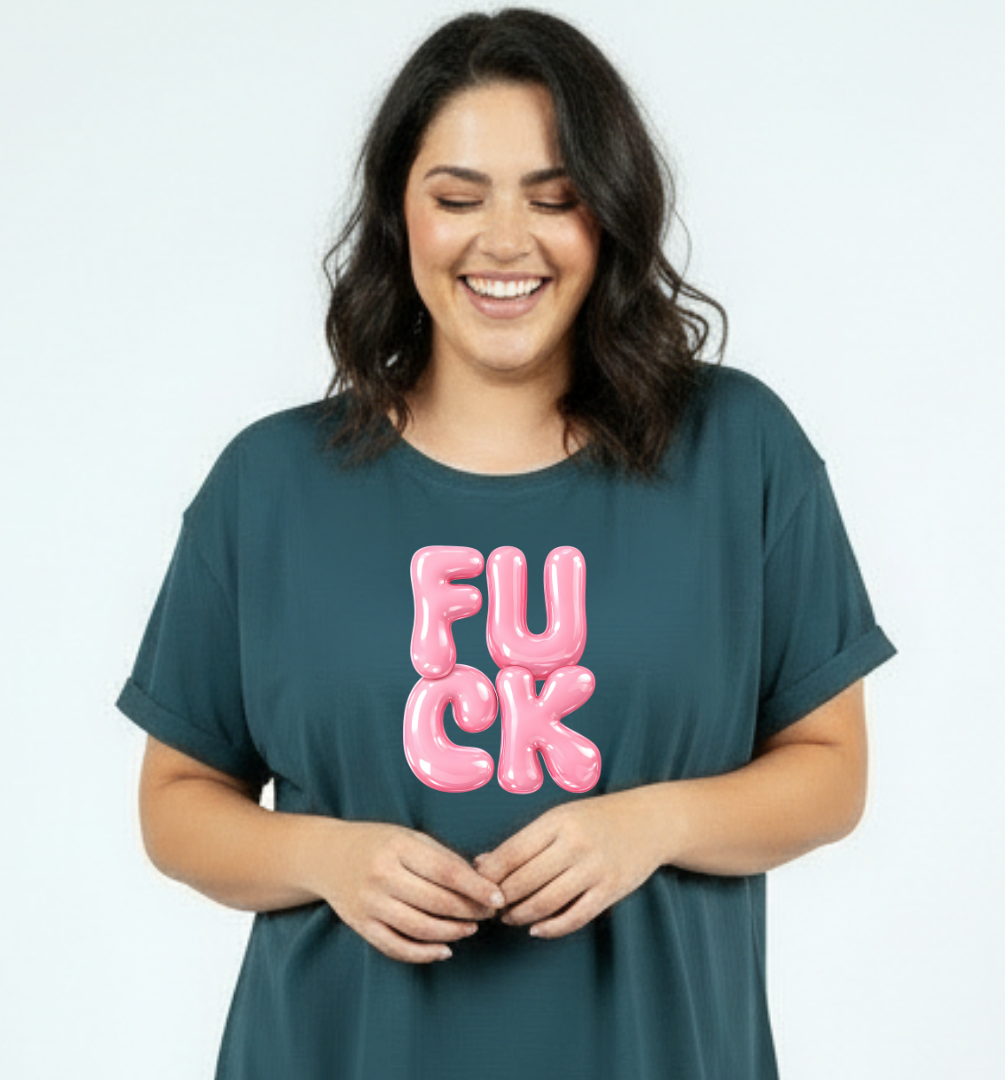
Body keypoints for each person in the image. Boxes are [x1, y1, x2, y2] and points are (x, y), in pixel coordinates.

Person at [116, 8, 897, 1079]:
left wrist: (652, 826)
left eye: (554, 196)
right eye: (457, 198)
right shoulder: (270, 484)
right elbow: (174, 803)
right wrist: (326, 856)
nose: (504, 241)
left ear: (609, 214)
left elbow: (831, 772)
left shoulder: (738, 449)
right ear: (399, 215)